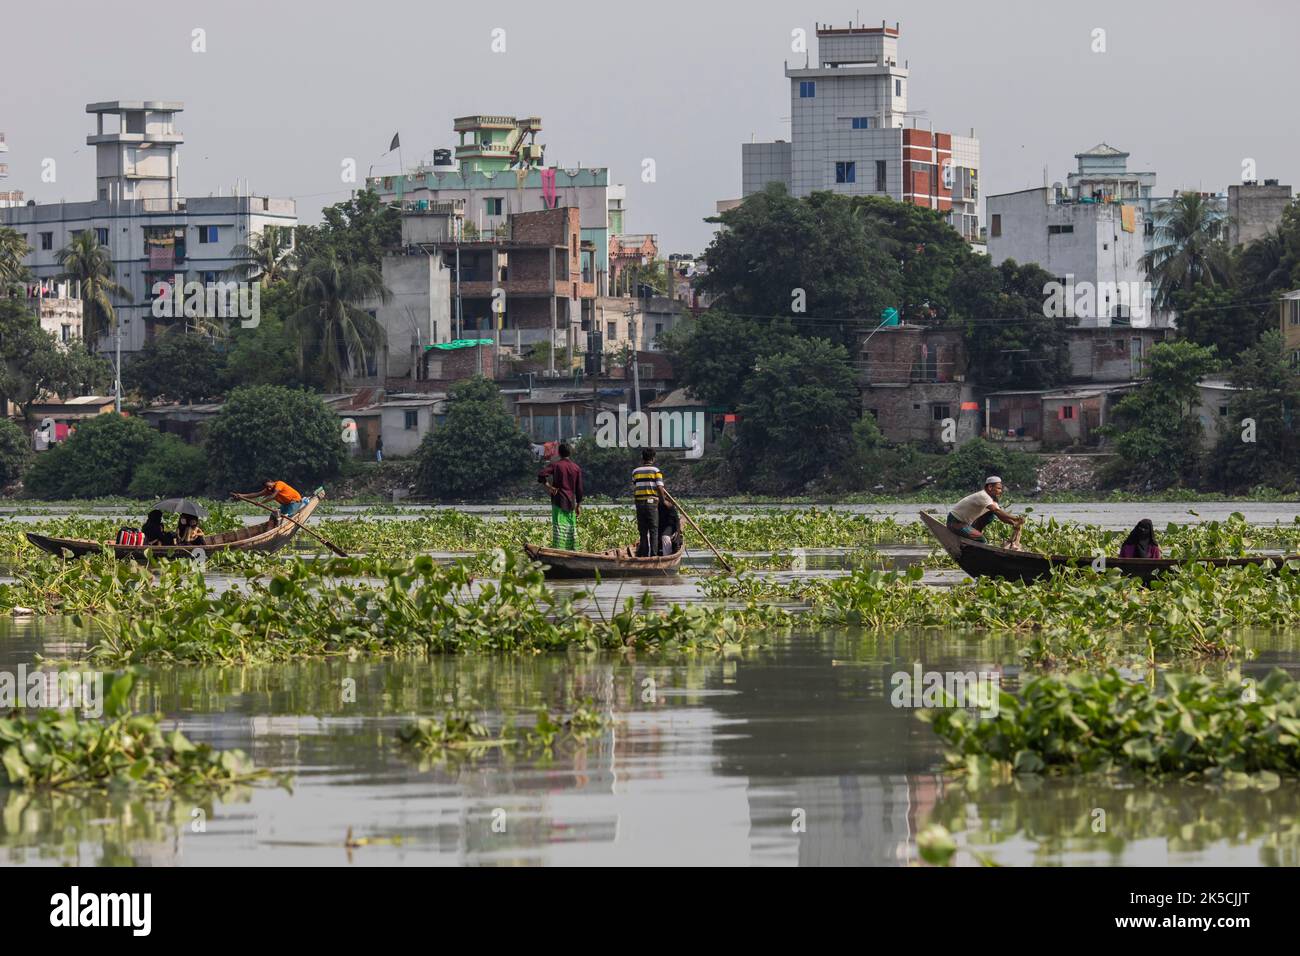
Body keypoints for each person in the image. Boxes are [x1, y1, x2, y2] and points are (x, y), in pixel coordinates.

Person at [947, 476, 1024, 550]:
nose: (1000, 491)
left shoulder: (992, 501)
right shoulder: (983, 496)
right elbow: (996, 510)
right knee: (981, 540)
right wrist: (1015, 518)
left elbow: (1001, 517)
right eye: (998, 488)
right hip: (955, 522)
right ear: (990, 487)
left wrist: (1013, 523)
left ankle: (974, 533)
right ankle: (970, 548)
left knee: (991, 514)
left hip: (965, 524)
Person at [538, 442, 583, 550]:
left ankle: (559, 550)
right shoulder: (576, 468)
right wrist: (578, 505)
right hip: (571, 502)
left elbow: (541, 474)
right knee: (571, 527)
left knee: (559, 527)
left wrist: (549, 486)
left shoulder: (556, 465)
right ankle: (573, 550)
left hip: (558, 501)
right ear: (569, 453)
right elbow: (579, 489)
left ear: (559, 453)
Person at [633, 449, 667, 556]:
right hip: (651, 503)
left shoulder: (635, 472)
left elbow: (635, 486)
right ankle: (653, 555)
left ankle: (643, 554)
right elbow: (660, 488)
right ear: (653, 458)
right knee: (653, 529)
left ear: (642, 458)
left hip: (639, 503)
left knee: (642, 530)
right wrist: (663, 502)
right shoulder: (656, 471)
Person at [241, 480, 306, 522]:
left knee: (288, 517)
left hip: (294, 502)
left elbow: (273, 496)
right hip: (285, 505)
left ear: (272, 482)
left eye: (270, 486)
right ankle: (269, 529)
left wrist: (261, 502)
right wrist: (241, 495)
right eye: (267, 487)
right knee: (273, 515)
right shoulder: (268, 490)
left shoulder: (279, 484)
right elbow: (256, 494)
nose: (269, 488)